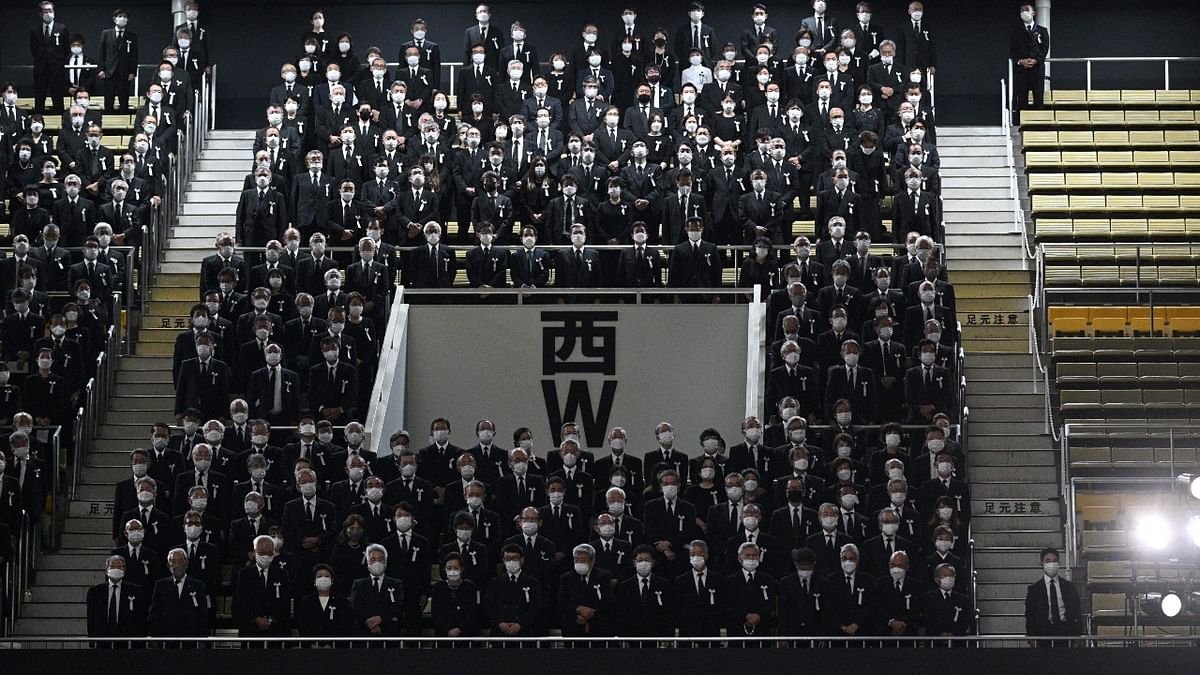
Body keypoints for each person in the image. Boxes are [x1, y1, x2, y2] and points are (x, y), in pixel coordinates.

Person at [233, 534, 292, 637]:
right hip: (250, 629)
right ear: (254, 553)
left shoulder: (282, 574)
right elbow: (241, 600)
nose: (265, 556)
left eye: (269, 553)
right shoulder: (244, 574)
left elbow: (284, 600)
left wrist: (270, 619)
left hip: (276, 629)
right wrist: (256, 618)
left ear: (274, 553)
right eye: (262, 552)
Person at [148, 547, 210, 638]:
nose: (176, 565)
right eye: (173, 561)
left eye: (180, 561)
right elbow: (155, 613)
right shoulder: (160, 585)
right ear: (168, 565)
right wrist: (153, 637)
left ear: (186, 563)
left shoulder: (197, 585)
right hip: (166, 637)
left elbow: (203, 614)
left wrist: (203, 638)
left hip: (190, 637)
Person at [1024, 547, 1081, 644]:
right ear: (1042, 563)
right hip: (1043, 632)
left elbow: (1076, 611)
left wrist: (1078, 635)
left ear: (1059, 563)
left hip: (1065, 631)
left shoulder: (1069, 587)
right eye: (1048, 561)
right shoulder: (1034, 589)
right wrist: (1030, 636)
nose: (1052, 564)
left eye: (1055, 561)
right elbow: (1030, 615)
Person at [557, 543, 614, 636]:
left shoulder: (604, 576)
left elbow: (608, 601)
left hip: (598, 627)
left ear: (592, 561)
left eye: (582, 560)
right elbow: (562, 600)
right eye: (576, 560)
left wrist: (590, 614)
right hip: (573, 627)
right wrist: (578, 610)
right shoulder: (566, 578)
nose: (579, 563)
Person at [86, 555, 147, 640]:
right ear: (106, 570)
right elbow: (91, 619)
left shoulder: (135, 591)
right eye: (112, 566)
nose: (116, 569)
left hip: (127, 641)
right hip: (101, 641)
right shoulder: (95, 592)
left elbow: (141, 618)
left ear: (124, 570)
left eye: (119, 567)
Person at [351, 543, 405, 636]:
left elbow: (398, 606)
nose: (377, 562)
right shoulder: (358, 584)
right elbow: (357, 607)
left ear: (385, 562)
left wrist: (381, 618)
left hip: (389, 633)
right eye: (373, 559)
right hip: (363, 634)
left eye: (380, 559)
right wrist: (371, 624)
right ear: (367, 562)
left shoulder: (396, 584)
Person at [1010, 3, 1049, 119]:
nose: (1024, 13)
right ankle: (1023, 127)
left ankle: (1039, 125)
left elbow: (1045, 48)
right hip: (1022, 71)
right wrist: (1021, 61)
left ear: (1033, 13)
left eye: (1026, 10)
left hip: (1037, 70)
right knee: (1022, 99)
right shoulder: (1016, 32)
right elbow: (1013, 51)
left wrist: (1036, 60)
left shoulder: (1042, 31)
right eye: (1022, 11)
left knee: (1038, 99)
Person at [31, 2, 71, 115]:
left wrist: (58, 61)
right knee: (39, 97)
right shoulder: (35, 30)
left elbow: (66, 49)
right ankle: (38, 123)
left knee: (58, 97)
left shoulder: (62, 28)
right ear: (40, 13)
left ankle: (60, 123)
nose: (48, 13)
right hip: (40, 69)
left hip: (57, 69)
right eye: (45, 11)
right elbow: (33, 50)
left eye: (50, 11)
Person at [295, 563, 354, 637]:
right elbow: (303, 625)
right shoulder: (306, 602)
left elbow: (345, 625)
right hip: (312, 646)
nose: (323, 578)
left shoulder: (341, 601)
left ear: (332, 580)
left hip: (335, 646)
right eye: (319, 576)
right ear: (314, 581)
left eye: (327, 576)